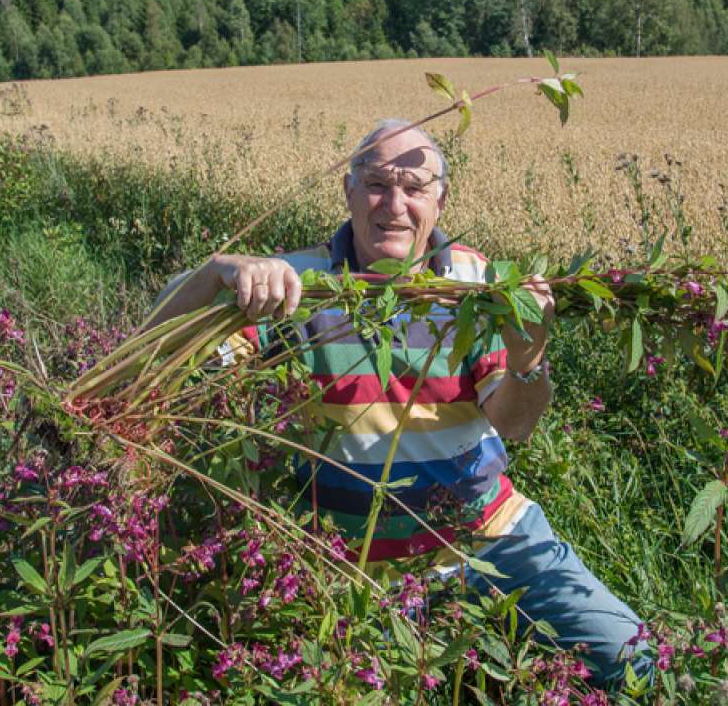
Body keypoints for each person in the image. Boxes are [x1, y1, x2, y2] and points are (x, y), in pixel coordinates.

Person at [148, 119, 650, 686]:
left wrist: (527, 360)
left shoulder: (477, 282)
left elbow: (514, 424)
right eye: (377, 184)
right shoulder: (297, 286)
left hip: (491, 538)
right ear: (348, 191)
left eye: (414, 187)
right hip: (356, 575)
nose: (394, 205)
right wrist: (214, 275)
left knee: (636, 662)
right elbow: (156, 350)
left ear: (441, 200)